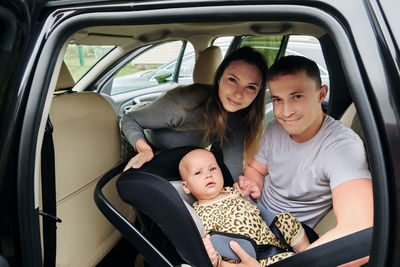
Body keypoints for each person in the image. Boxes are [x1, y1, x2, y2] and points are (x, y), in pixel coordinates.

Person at [234, 55, 373, 266]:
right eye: (277, 99)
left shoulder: (341, 147)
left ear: (321, 94)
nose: (284, 112)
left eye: (297, 96)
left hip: (287, 238)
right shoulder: (275, 128)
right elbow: (256, 168)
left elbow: (360, 235)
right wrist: (252, 184)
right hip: (251, 214)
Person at [121, 46, 268, 180]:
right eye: (233, 80)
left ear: (259, 90)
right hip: (140, 139)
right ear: (220, 76)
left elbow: (232, 168)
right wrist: (144, 150)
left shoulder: (238, 116)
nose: (238, 94)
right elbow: (130, 119)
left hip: (181, 155)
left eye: (250, 87)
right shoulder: (184, 104)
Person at [179, 148, 310, 267]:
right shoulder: (197, 215)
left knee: (286, 219)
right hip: (252, 258)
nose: (208, 175)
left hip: (272, 236)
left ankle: (309, 253)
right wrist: (216, 262)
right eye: (198, 173)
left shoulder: (232, 191)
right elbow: (209, 243)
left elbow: (250, 209)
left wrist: (246, 196)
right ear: (186, 187)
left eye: (213, 169)